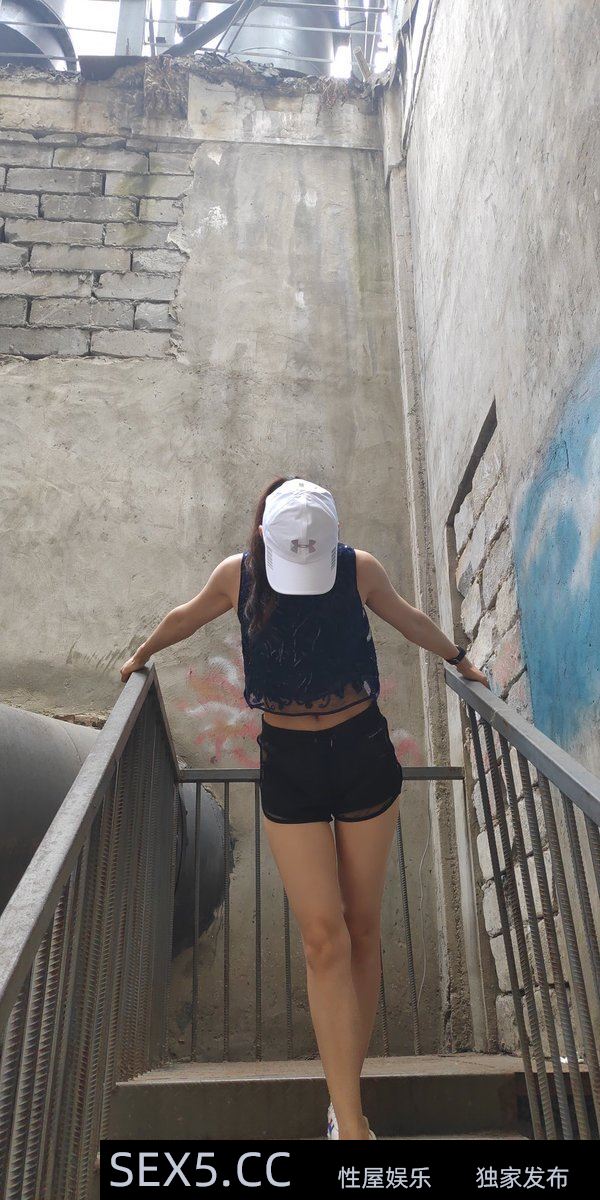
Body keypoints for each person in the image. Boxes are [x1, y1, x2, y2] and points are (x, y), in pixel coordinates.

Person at [119, 475, 489, 1140]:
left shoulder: (358, 568)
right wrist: (139, 655)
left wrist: (460, 658)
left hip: (362, 750)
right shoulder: (238, 575)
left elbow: (407, 617)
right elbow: (186, 615)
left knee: (363, 928)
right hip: (288, 762)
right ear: (265, 535)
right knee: (323, 937)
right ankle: (350, 1121)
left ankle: (347, 1106)